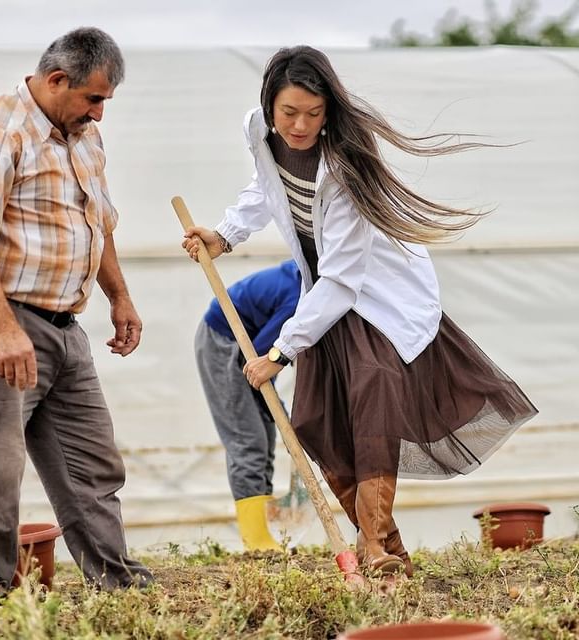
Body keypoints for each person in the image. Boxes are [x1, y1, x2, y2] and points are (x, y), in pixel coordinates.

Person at [182, 45, 538, 577]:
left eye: (313, 113)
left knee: (374, 404)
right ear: (269, 106)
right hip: (322, 294)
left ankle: (371, 547)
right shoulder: (258, 129)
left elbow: (343, 282)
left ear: (330, 110)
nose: (300, 125)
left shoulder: (345, 167)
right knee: (314, 421)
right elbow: (265, 188)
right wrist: (226, 234)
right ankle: (390, 552)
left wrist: (278, 352)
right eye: (289, 112)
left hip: (375, 298)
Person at [0, 27, 153, 592]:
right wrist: (3, 329)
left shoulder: (82, 137)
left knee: (93, 460)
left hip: (64, 324)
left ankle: (114, 577)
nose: (100, 114)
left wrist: (120, 296)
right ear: (57, 80)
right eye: (94, 99)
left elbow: (98, 223)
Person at [195, 259, 301, 551]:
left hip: (248, 349)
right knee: (249, 441)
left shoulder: (317, 287)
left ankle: (264, 532)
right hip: (226, 344)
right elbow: (258, 358)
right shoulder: (300, 300)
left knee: (265, 435)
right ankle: (256, 541)